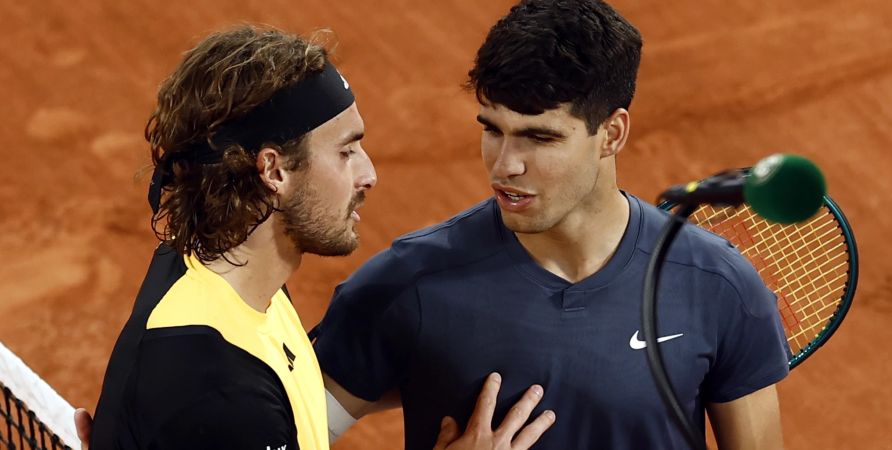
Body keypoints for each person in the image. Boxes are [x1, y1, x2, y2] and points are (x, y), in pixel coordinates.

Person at [312, 1, 791, 449]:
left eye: (538, 138)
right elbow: (276, 434)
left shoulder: (718, 286)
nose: (505, 167)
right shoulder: (405, 285)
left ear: (612, 134)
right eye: (492, 130)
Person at [83, 25, 554, 450]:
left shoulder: (211, 274)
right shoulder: (224, 397)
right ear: (275, 170)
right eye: (346, 152)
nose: (368, 174)